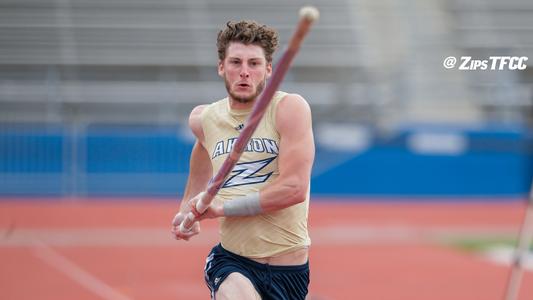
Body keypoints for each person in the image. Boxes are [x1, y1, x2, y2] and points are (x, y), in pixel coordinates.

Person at [171, 20, 315, 300]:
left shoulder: (288, 109)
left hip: (289, 270)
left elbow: (294, 189)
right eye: (235, 62)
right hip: (233, 262)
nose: (245, 72)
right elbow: (203, 147)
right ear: (221, 67)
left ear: (269, 69)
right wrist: (189, 204)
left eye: (254, 63)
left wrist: (221, 209)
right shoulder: (204, 119)